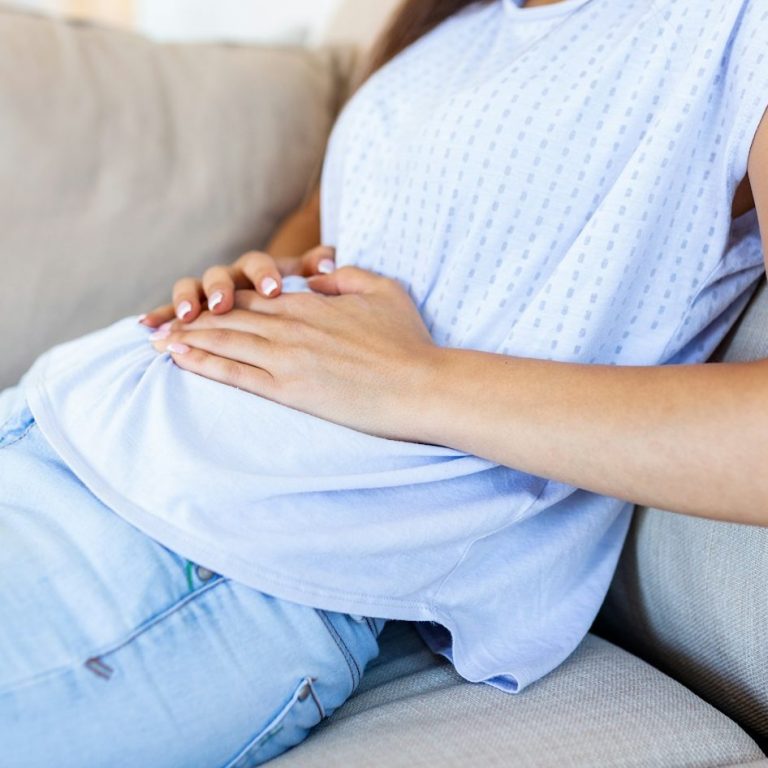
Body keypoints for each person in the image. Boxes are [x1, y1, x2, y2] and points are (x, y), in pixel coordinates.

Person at [2, 0, 767, 765]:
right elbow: (333, 226)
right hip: (57, 422)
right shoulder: (455, 20)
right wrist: (264, 281)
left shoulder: (733, 28)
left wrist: (416, 381)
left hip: (212, 543)